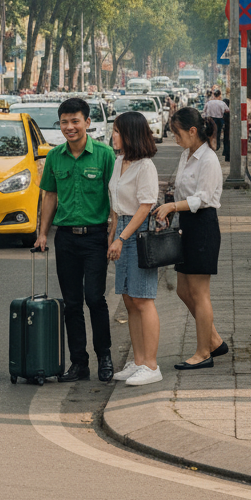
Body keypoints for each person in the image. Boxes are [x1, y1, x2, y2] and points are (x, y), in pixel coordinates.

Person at [35, 97, 117, 382]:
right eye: (64, 122)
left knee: (95, 298)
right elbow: (50, 196)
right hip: (66, 239)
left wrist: (113, 235)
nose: (69, 127)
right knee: (71, 303)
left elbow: (114, 197)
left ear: (87, 123)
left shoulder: (105, 155)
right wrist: (43, 233)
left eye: (75, 121)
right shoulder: (55, 156)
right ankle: (79, 363)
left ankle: (105, 358)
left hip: (95, 237)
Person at [154, 107, 227, 370]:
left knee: (199, 292)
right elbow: (180, 190)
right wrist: (169, 209)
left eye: (177, 133)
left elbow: (203, 198)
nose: (175, 139)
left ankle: (203, 353)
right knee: (184, 290)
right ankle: (215, 340)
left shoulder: (208, 160)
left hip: (203, 226)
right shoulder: (187, 155)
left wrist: (173, 207)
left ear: (192, 131)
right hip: (187, 225)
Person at [107, 111, 162, 386]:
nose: (113, 136)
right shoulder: (119, 162)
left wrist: (122, 238)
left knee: (143, 298)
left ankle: (151, 365)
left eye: (117, 131)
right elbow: (116, 204)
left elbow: (145, 206)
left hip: (137, 234)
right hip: (121, 230)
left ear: (130, 134)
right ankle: (138, 360)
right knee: (129, 300)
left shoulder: (145, 167)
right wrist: (112, 236)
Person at [204, 89, 228, 158]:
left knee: (210, 133)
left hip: (210, 119)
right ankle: (217, 145)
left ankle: (210, 145)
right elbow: (227, 110)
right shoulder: (222, 103)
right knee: (218, 133)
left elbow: (204, 111)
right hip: (219, 119)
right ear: (220, 95)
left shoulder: (209, 103)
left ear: (213, 95)